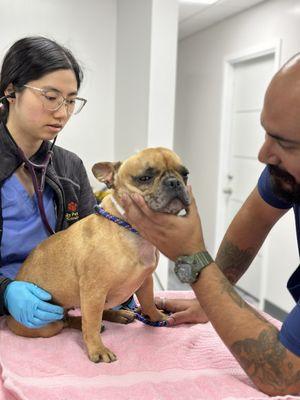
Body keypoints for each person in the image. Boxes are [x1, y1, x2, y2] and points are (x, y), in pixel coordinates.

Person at [121, 54, 300, 396]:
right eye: (266, 133)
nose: (263, 154)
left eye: (285, 144)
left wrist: (193, 260)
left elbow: (283, 375)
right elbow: (255, 217)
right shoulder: (286, 173)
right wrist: (212, 297)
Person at [0, 36, 96, 329]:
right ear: (11, 90)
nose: (63, 113)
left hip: (58, 308)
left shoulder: (70, 166)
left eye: (70, 101)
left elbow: (92, 242)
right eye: (51, 97)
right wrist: (6, 292)